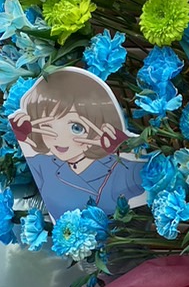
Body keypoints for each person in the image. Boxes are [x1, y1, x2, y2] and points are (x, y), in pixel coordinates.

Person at [9, 67, 145, 220]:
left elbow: (153, 175)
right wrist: (24, 136)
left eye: (76, 128)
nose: (60, 139)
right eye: (47, 126)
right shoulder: (44, 164)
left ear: (102, 125)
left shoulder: (123, 171)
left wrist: (126, 146)